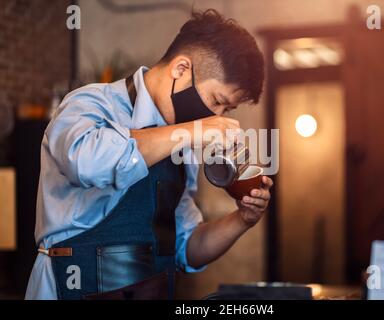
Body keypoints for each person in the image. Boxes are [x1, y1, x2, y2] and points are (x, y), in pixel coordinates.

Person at [25, 9, 272, 300]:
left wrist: (242, 218)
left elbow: (186, 247)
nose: (216, 117)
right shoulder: (91, 104)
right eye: (217, 101)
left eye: (226, 110)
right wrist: (190, 131)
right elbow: (86, 162)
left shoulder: (181, 143)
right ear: (181, 69)